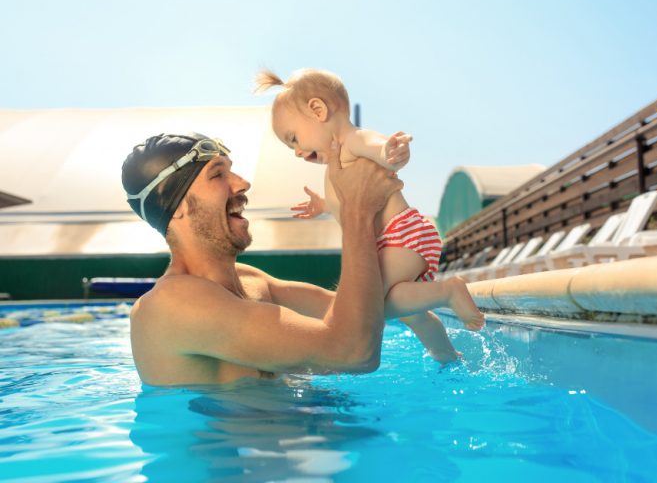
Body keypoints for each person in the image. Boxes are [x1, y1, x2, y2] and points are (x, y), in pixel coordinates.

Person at [122, 131, 412, 386]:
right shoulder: (170, 305)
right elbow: (354, 351)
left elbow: (368, 311)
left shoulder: (250, 280)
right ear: (178, 206)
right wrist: (357, 212)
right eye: (217, 174)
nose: (243, 183)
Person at [255, 68, 484, 363]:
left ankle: (448, 292)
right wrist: (324, 205)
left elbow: (376, 147)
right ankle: (447, 355)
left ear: (318, 109)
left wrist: (390, 150)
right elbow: (349, 204)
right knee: (413, 315)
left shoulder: (352, 140)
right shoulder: (337, 165)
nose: (297, 152)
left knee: (371, 305)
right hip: (394, 240)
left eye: (294, 138)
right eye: (291, 147)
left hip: (401, 233)